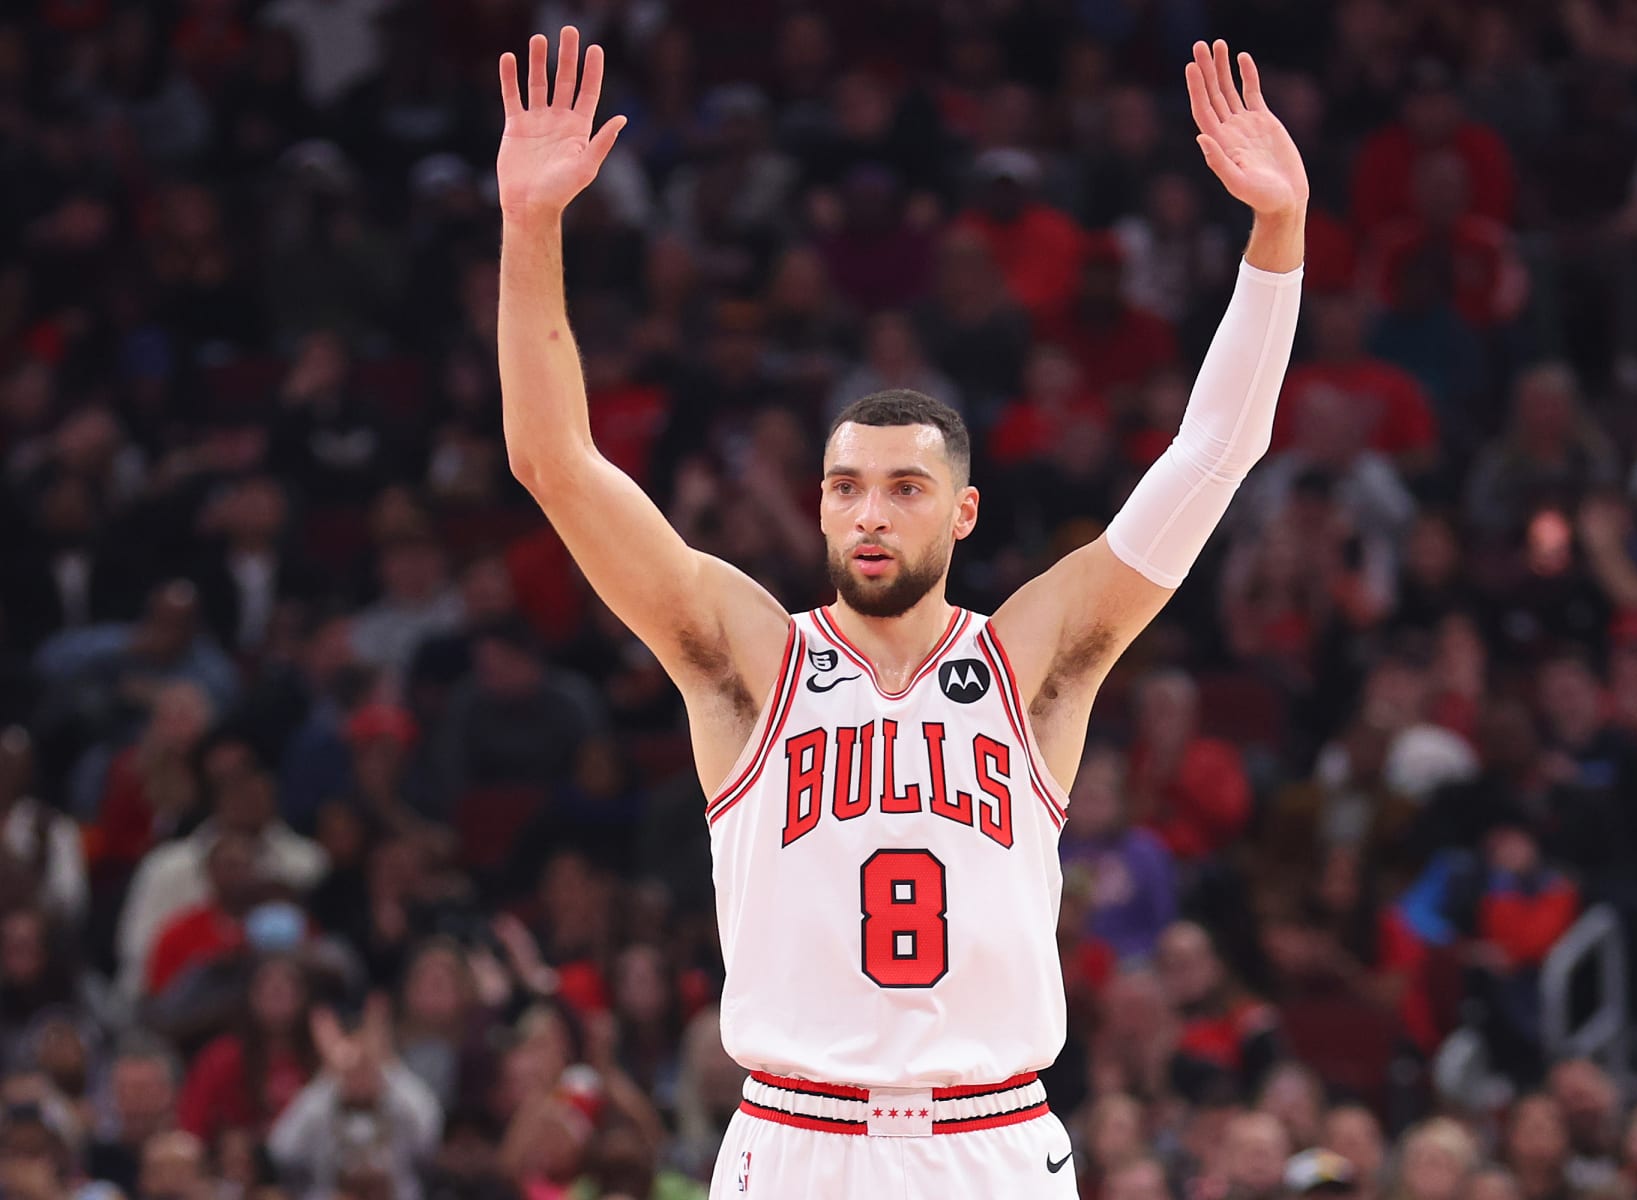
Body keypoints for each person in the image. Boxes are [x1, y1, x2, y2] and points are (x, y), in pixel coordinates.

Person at [495, 28, 1306, 1198]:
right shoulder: (748, 661)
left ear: (963, 513)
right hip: (795, 1137)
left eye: (905, 488)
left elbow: (1214, 453)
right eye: (845, 487)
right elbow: (554, 463)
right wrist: (530, 228)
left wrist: (1277, 236)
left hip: (992, 1140)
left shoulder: (1033, 661)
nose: (870, 514)